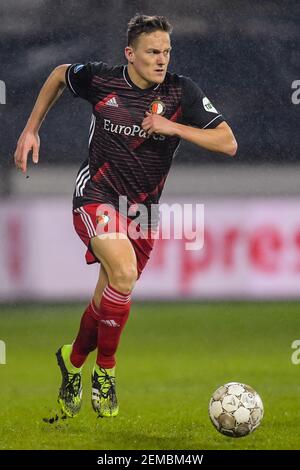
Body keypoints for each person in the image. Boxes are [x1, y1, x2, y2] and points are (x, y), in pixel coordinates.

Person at [14, 14, 237, 419]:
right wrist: (32, 129)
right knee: (123, 273)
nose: (161, 60)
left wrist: (174, 127)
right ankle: (106, 373)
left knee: (107, 300)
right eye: (153, 52)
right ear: (130, 54)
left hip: (143, 214)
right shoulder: (102, 80)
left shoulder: (181, 91)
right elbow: (60, 75)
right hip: (95, 197)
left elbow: (227, 142)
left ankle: (73, 359)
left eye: (166, 52)